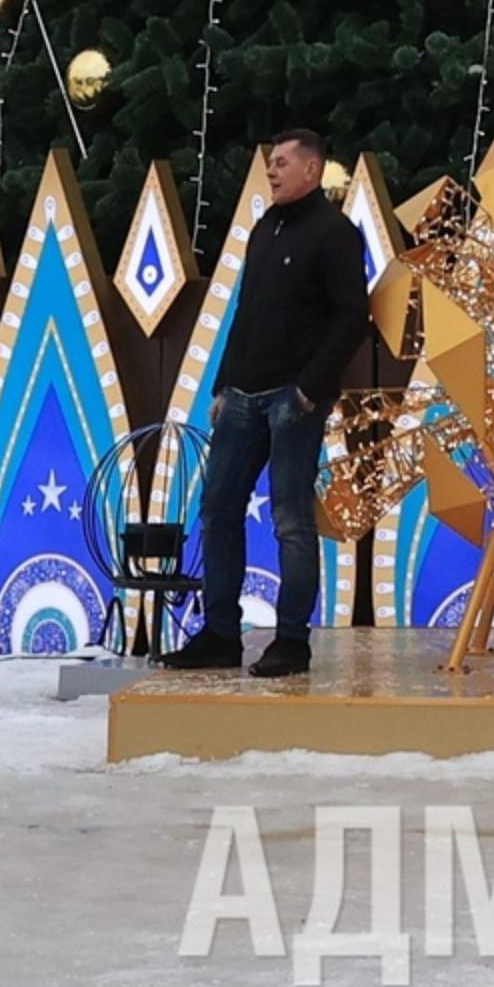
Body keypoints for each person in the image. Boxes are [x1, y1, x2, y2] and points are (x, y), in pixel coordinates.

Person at [164, 126, 374, 680]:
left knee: (290, 521)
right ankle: (219, 633)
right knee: (217, 510)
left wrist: (309, 387)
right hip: (242, 395)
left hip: (292, 399)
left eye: (281, 163)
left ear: (312, 169)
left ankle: (291, 640)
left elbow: (352, 318)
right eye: (270, 164)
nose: (272, 172)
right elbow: (246, 311)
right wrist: (223, 383)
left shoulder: (336, 234)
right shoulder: (265, 228)